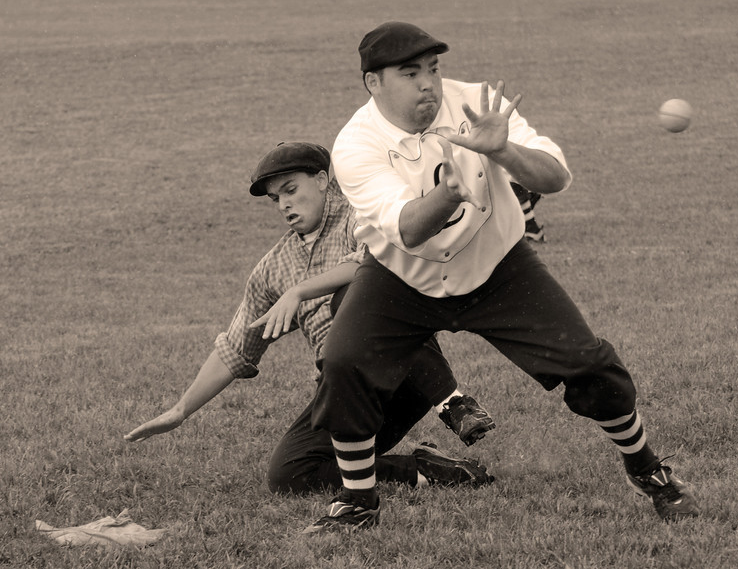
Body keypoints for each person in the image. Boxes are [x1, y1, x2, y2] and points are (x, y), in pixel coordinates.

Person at [303, 22, 700, 533]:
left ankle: (648, 471)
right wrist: (447, 194)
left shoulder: (479, 105)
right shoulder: (356, 144)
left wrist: (502, 150)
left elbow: (556, 177)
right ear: (373, 83)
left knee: (588, 362)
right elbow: (407, 231)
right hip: (401, 276)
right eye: (410, 73)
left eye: (433, 69)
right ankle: (358, 503)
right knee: (344, 363)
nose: (428, 82)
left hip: (498, 264)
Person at [124, 142, 496, 494]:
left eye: (290, 189)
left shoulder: (360, 214)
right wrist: (180, 410)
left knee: (354, 296)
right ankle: (425, 469)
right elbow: (237, 349)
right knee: (291, 473)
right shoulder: (273, 269)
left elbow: (377, 262)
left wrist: (300, 291)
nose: (284, 204)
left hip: (406, 372)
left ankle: (454, 403)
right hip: (347, 389)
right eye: (276, 199)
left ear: (321, 180)